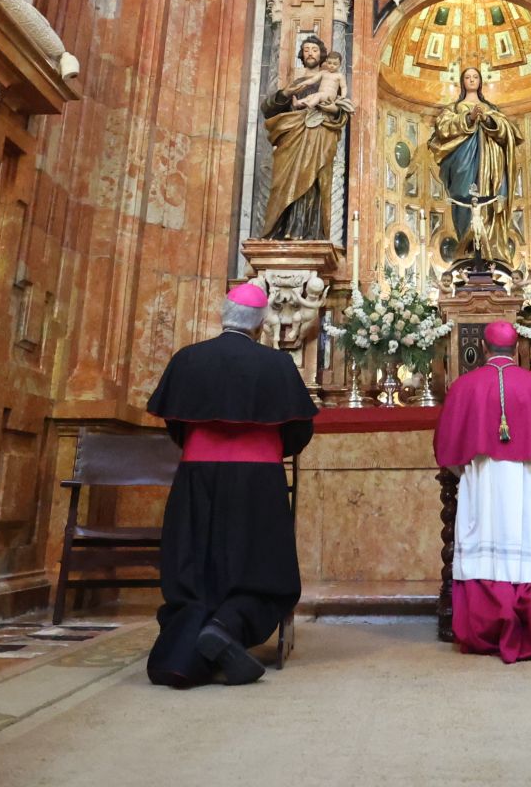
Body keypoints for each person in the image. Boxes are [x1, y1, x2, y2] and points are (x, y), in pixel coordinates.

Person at [145, 281, 317, 687]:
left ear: (223, 316)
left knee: (193, 566)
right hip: (258, 482)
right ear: (260, 324)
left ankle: (181, 654)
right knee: (261, 565)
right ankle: (227, 624)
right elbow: (298, 433)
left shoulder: (187, 360)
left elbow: (176, 424)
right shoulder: (277, 366)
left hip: (197, 477)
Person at [434, 320, 531, 662]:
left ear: (483, 348)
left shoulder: (464, 386)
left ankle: (488, 619)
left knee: (487, 543)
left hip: (484, 480)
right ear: (518, 349)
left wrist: (468, 469)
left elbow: (447, 445)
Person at [427, 67, 523, 267]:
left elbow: (510, 132)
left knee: (491, 203)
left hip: (491, 167)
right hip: (462, 162)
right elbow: (442, 128)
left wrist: (488, 119)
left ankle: (490, 251)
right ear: (462, 82)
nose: (472, 80)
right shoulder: (454, 108)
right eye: (468, 77)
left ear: (480, 81)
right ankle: (467, 249)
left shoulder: (492, 108)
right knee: (464, 200)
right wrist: (468, 118)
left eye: (475, 77)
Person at [260, 37, 350, 240]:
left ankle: (307, 233)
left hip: (319, 137)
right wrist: (285, 93)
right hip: (292, 140)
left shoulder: (331, 79)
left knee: (312, 185)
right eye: (306, 50)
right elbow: (268, 110)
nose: (310, 53)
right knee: (283, 183)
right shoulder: (298, 83)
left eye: (315, 50)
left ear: (323, 56)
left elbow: (342, 110)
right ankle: (279, 231)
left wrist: (333, 108)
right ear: (301, 55)